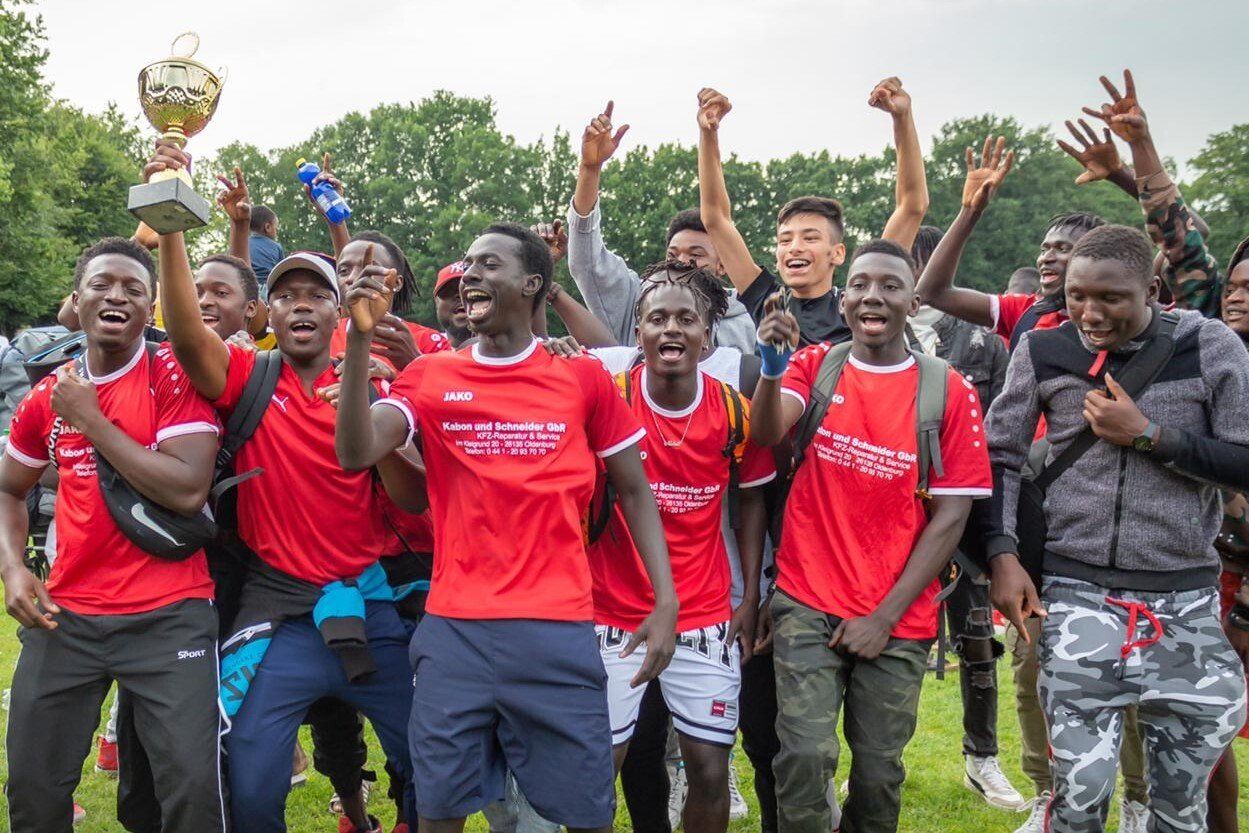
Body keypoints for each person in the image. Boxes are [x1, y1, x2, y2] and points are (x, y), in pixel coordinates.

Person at [335, 222, 679, 833]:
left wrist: (666, 601)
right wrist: (360, 340)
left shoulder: (582, 377)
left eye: (489, 264)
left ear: (532, 284)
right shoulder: (431, 376)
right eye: (468, 262)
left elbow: (633, 489)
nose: (471, 274)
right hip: (454, 632)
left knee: (587, 813)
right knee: (439, 808)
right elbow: (356, 452)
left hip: (557, 630)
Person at [143, 140, 416, 833]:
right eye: (286, 295)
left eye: (317, 295)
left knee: (430, 761)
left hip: (370, 603)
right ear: (267, 313)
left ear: (337, 312)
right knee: (254, 780)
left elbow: (414, 496)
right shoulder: (249, 375)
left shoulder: (374, 383)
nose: (301, 306)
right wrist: (171, 225)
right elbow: (186, 336)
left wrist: (369, 393)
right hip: (278, 610)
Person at [985, 222, 1249, 833]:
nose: (1090, 313)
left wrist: (1151, 436)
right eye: (1077, 295)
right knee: (1078, 800)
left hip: (1184, 603)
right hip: (1077, 593)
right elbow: (998, 456)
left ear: (1152, 290)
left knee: (1180, 809)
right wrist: (1002, 554)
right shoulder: (1044, 349)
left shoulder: (1210, 346)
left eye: (1110, 298)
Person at [751, 239, 992, 833]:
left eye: (889, 285)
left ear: (914, 301)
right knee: (805, 756)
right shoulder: (815, 366)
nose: (872, 297)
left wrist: (883, 617)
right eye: (859, 285)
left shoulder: (948, 389)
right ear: (843, 299)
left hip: (898, 614)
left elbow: (951, 516)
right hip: (806, 597)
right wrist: (771, 369)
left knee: (879, 773)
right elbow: (765, 433)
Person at [0, 237, 225, 833]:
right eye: (101, 284)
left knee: (192, 790)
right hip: (66, 616)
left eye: (133, 288)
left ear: (151, 308)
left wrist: (92, 420)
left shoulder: (172, 375)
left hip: (170, 614)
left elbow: (187, 489)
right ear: (77, 302)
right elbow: (7, 490)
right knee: (33, 786)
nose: (116, 296)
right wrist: (14, 569)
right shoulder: (48, 396)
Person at [586, 261, 775, 833]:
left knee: (710, 772)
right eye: (657, 318)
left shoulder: (735, 410)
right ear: (638, 332)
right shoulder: (608, 398)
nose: (671, 328)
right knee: (599, 769)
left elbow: (751, 501)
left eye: (686, 319)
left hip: (703, 612)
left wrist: (748, 598)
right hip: (612, 611)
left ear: (707, 334)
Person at [908, 226, 1022, 811]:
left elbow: (1002, 444)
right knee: (896, 643)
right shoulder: (879, 333)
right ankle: (883, 756)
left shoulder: (983, 342)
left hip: (967, 514)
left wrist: (1000, 536)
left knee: (978, 640)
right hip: (899, 514)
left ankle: (983, 757)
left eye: (926, 264)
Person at [697, 83, 928, 347]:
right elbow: (716, 219)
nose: (794, 248)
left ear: (837, 253)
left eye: (810, 238)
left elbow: (911, 207)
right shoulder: (769, 302)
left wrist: (901, 117)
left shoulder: (857, 305)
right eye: (785, 240)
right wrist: (708, 133)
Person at [565, 100, 757, 355]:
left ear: (723, 265)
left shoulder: (752, 317)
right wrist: (590, 169)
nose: (682, 263)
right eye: (673, 254)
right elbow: (586, 262)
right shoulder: (636, 300)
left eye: (696, 255)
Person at [1208, 238, 1249, 833]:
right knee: (1207, 724)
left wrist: (1245, 613)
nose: (1236, 297)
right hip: (1215, 570)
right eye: (1233, 286)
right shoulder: (1217, 357)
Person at [249, 205, 286, 293]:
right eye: (276, 228)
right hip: (267, 288)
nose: (276, 232)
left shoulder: (241, 244)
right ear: (268, 227)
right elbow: (282, 273)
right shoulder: (276, 247)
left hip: (245, 287)